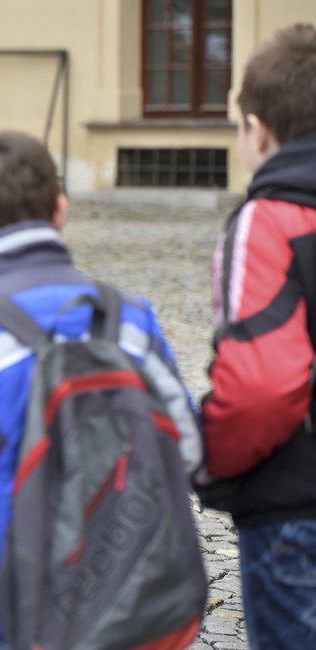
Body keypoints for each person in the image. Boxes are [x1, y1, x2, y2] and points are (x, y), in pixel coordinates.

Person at [0, 131, 202, 649]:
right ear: (61, 209)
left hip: (12, 607)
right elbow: (188, 450)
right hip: (136, 591)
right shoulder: (128, 318)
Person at [198, 23, 316, 649]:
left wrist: (214, 464)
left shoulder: (268, 220)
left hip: (296, 506)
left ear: (256, 129)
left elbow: (263, 384)